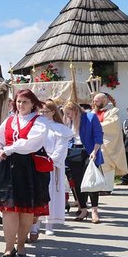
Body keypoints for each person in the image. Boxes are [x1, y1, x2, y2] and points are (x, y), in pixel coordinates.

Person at [0, 89, 51, 257]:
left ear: (32, 104)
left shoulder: (40, 122)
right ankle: (9, 247)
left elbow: (31, 143)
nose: (21, 105)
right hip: (8, 167)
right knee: (8, 209)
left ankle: (21, 244)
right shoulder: (9, 120)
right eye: (18, 101)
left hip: (29, 168)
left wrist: (8, 149)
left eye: (25, 102)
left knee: (26, 210)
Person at [34, 99, 73, 237]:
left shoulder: (60, 128)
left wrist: (52, 160)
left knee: (51, 195)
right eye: (41, 111)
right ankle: (35, 225)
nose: (43, 114)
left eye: (46, 111)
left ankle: (49, 224)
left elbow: (61, 147)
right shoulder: (36, 126)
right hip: (37, 164)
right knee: (37, 195)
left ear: (53, 112)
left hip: (52, 165)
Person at [63, 101, 105, 224]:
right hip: (74, 152)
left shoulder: (90, 117)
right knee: (77, 182)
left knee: (91, 181)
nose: (67, 116)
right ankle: (83, 209)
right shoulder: (68, 121)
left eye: (68, 113)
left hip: (89, 152)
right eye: (65, 114)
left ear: (75, 111)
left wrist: (95, 151)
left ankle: (94, 211)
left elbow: (98, 136)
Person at [92, 92, 128, 181]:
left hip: (107, 143)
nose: (94, 103)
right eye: (94, 101)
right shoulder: (93, 111)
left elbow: (112, 124)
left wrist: (95, 127)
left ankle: (108, 186)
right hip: (95, 143)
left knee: (107, 165)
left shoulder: (113, 111)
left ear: (104, 100)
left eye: (96, 101)